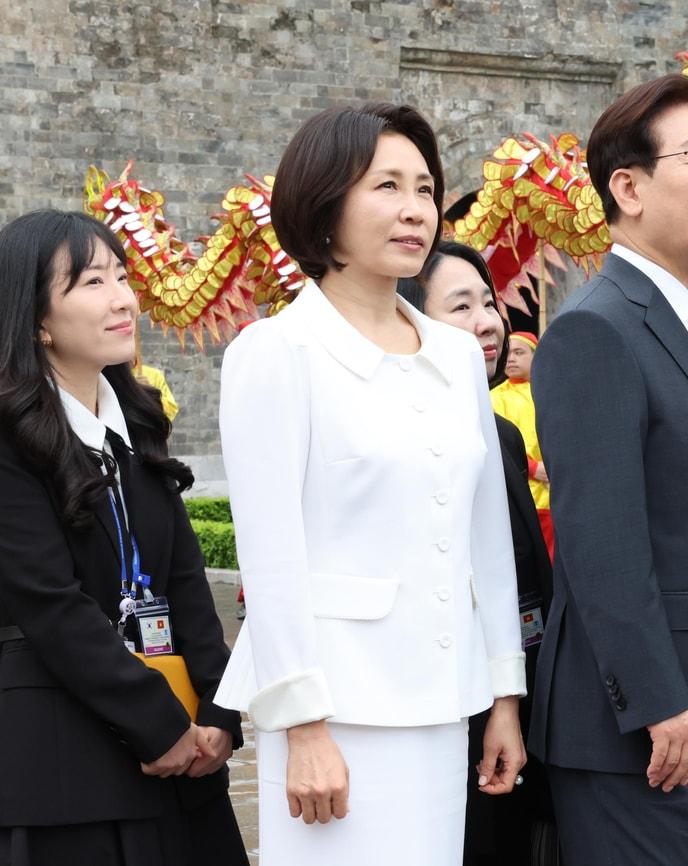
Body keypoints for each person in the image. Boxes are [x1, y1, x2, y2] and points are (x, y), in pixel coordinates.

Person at [213, 103, 527, 866]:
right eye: (386, 186)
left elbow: (487, 543)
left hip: (445, 700)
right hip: (341, 710)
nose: (415, 209)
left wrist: (504, 699)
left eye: (424, 187)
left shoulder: (454, 358)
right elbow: (272, 556)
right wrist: (303, 727)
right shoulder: (276, 352)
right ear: (324, 206)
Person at [528, 74, 688, 866]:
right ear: (629, 189)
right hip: (641, 734)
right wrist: (659, 701)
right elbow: (604, 546)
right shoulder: (596, 333)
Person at [0, 209, 245, 865]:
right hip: (66, 764)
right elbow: (52, 605)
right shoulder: (10, 442)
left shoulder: (133, 426)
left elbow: (186, 584)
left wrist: (220, 714)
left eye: (122, 276)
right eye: (90, 282)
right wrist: (162, 726)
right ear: (37, 320)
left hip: (184, 769)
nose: (122, 299)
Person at [397, 242, 556, 865]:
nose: (488, 323)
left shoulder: (505, 433)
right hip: (444, 702)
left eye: (488, 302)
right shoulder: (404, 437)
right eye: (460, 307)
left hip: (517, 687)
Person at [489, 332, 553, 557]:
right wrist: (535, 468)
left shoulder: (548, 392)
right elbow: (497, 444)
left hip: (552, 492)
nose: (511, 358)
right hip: (521, 488)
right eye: (508, 352)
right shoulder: (494, 397)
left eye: (519, 352)